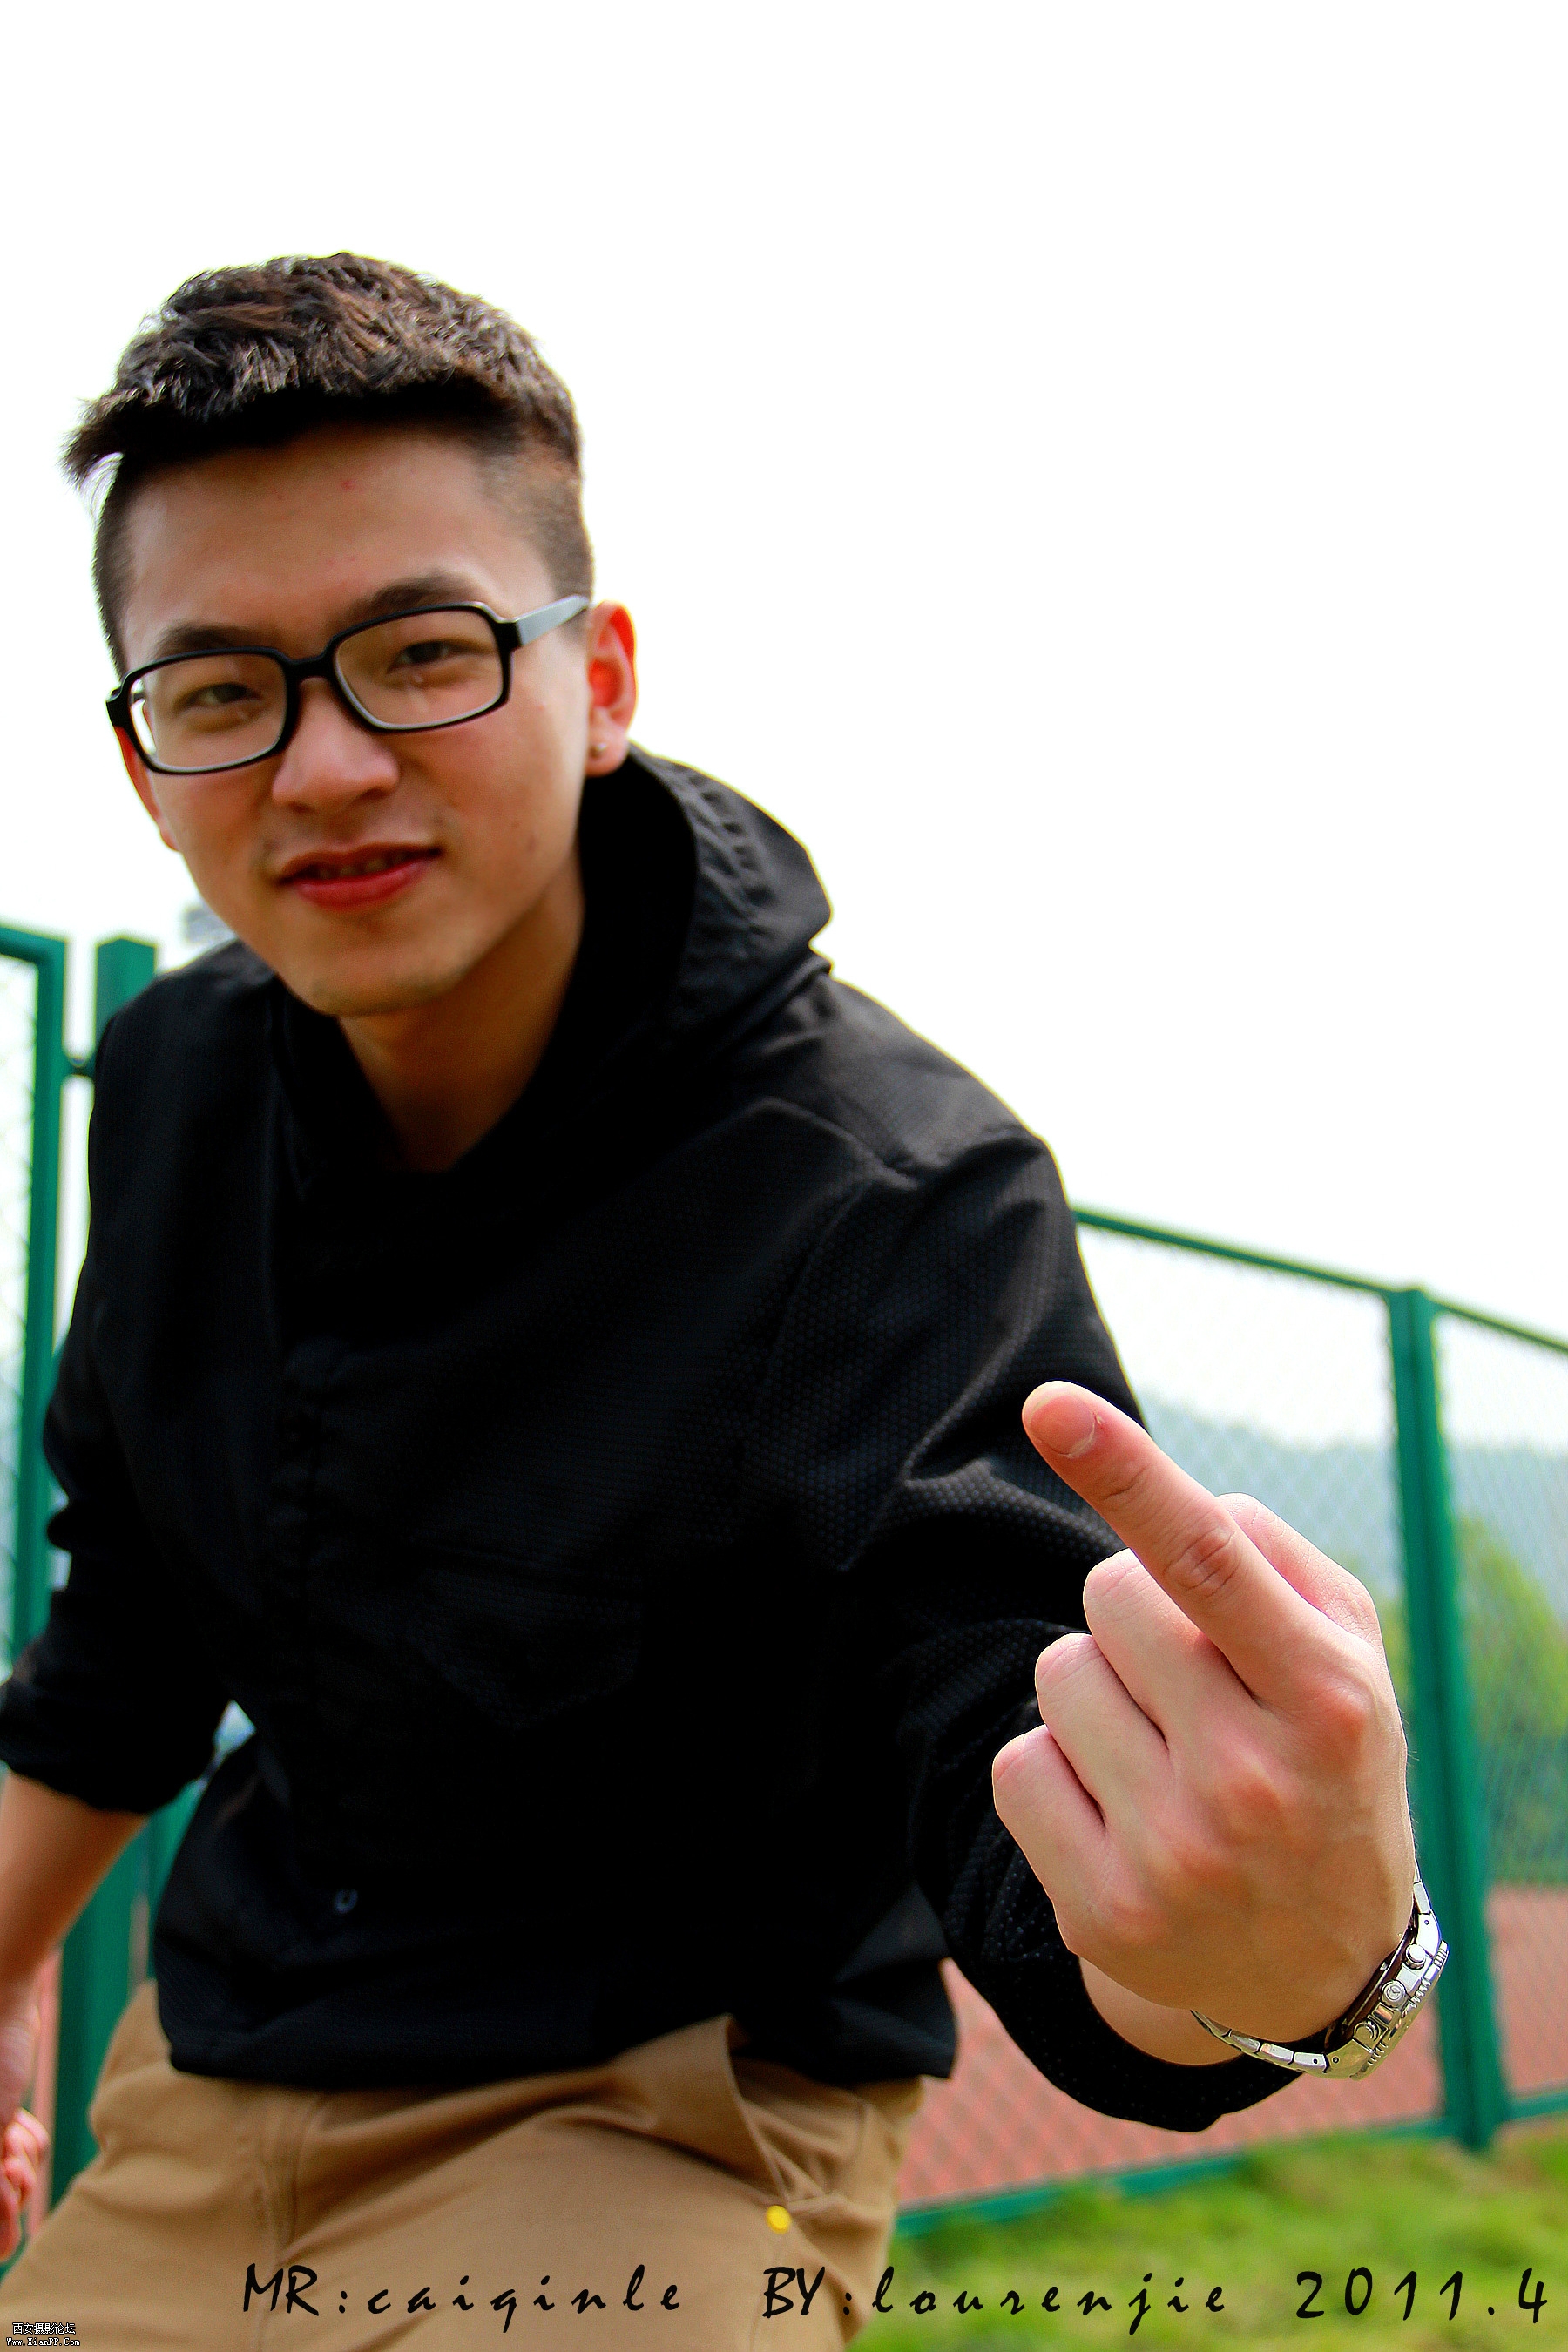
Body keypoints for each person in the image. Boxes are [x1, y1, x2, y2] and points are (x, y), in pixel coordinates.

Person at [0, 255, 1424, 2346]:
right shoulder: (181, 1085)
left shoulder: (888, 1199)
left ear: (601, 683)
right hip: (204, 2096)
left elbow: (1018, 1780)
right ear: (145, 764)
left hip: (667, 2131)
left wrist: (1294, 1959)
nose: (324, 767)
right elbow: (122, 1642)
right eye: (220, 692)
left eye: (422, 654)